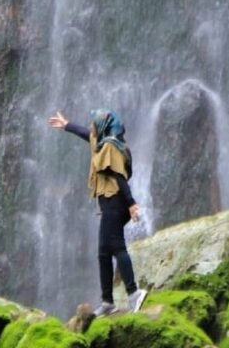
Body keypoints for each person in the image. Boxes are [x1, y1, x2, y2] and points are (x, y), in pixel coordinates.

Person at [48, 108, 148, 316]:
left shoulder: (111, 147)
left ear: (103, 126)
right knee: (103, 253)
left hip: (115, 203)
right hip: (107, 205)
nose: (92, 126)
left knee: (117, 248)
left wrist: (131, 204)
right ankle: (107, 302)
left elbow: (119, 177)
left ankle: (133, 293)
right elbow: (88, 135)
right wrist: (67, 125)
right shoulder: (101, 144)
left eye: (94, 123)